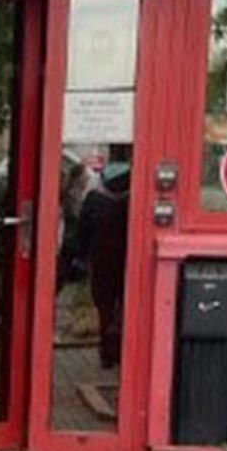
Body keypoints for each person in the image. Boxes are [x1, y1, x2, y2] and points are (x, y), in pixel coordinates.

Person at [75, 150, 131, 372]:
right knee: (124, 304)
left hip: (101, 260)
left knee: (105, 306)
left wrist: (80, 257)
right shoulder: (132, 201)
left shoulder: (94, 199)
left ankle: (108, 352)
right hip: (126, 261)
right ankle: (120, 347)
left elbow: (82, 232)